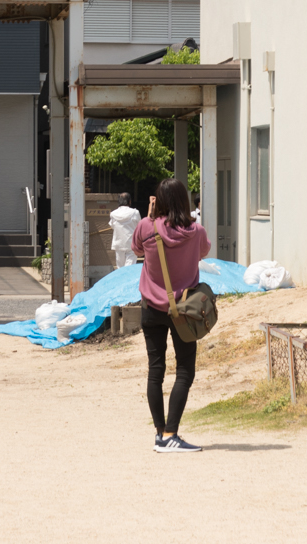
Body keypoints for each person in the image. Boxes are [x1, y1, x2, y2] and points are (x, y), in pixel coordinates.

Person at [134, 177, 212, 453]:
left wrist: (150, 217)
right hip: (184, 311)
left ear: (159, 200)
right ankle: (171, 433)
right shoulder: (197, 231)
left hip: (150, 309)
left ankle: (159, 434)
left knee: (156, 372)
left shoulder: (146, 226)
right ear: (184, 200)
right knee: (184, 371)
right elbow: (204, 251)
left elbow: (136, 249)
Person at [109, 192, 141, 271]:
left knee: (120, 268)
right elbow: (139, 226)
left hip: (118, 243)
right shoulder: (135, 213)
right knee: (130, 268)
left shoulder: (113, 214)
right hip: (131, 243)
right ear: (130, 201)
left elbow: (112, 226)